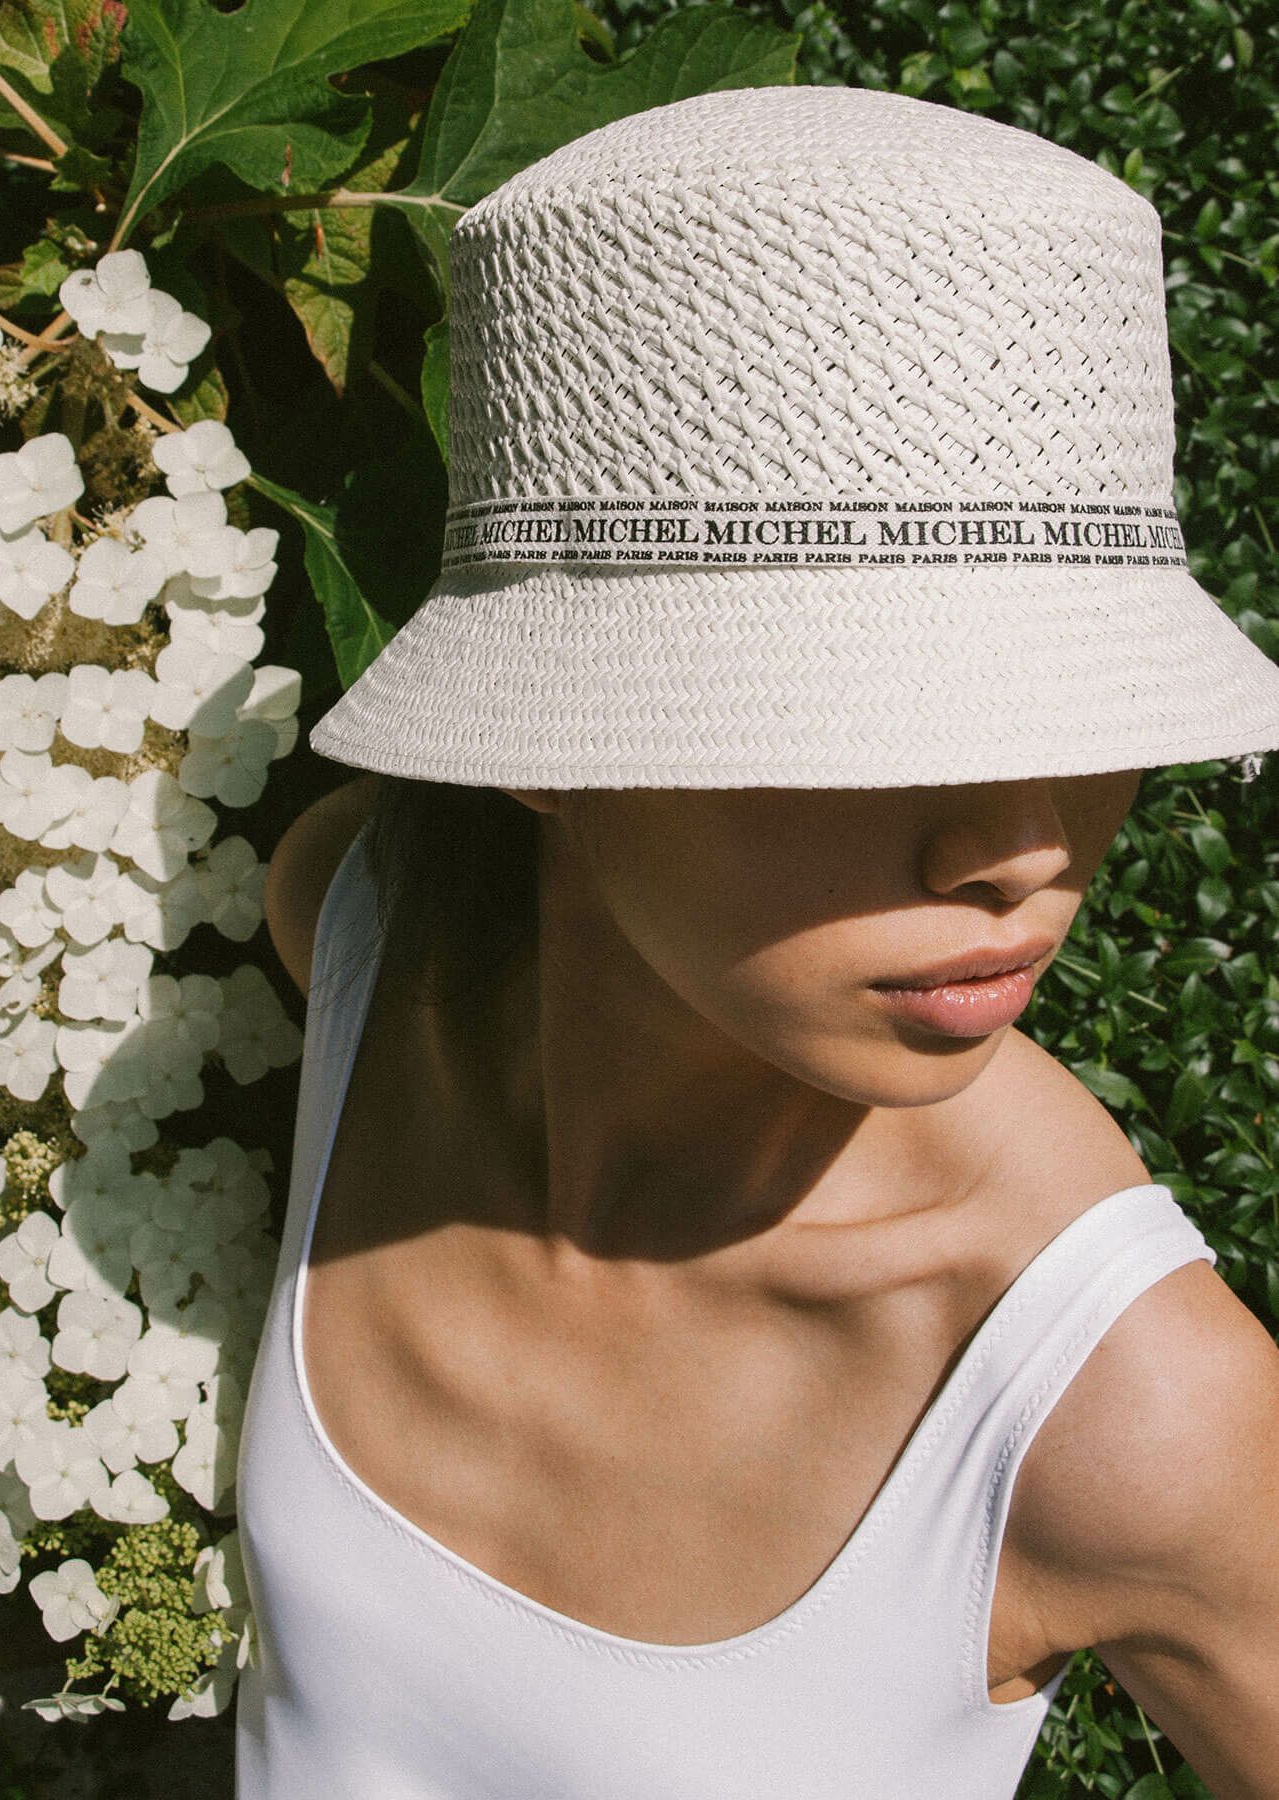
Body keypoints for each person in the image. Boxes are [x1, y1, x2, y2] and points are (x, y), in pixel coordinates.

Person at [233, 86, 1279, 1799]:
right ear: (543, 743)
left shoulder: (1110, 1401)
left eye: (1091, 710)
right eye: (872, 719)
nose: (1025, 849)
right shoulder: (359, 923)